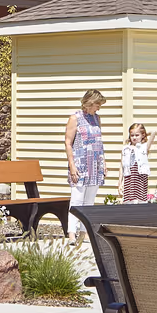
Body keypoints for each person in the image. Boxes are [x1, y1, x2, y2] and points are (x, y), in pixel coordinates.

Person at [64, 91, 106, 240]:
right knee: (77, 200)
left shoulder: (96, 118)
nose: (99, 108)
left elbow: (99, 142)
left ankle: (84, 232)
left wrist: (103, 162)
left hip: (95, 164)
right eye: (97, 104)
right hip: (80, 163)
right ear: (89, 102)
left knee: (89, 201)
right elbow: (68, 143)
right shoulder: (75, 118)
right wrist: (72, 165)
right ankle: (71, 233)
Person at [121, 122, 156, 202]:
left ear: (142, 135)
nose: (134, 137)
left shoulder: (144, 147)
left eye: (137, 135)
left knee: (140, 199)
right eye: (132, 135)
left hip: (140, 176)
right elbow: (121, 165)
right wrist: (120, 182)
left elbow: (153, 133)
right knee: (129, 199)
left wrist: (143, 134)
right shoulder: (126, 148)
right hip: (129, 177)